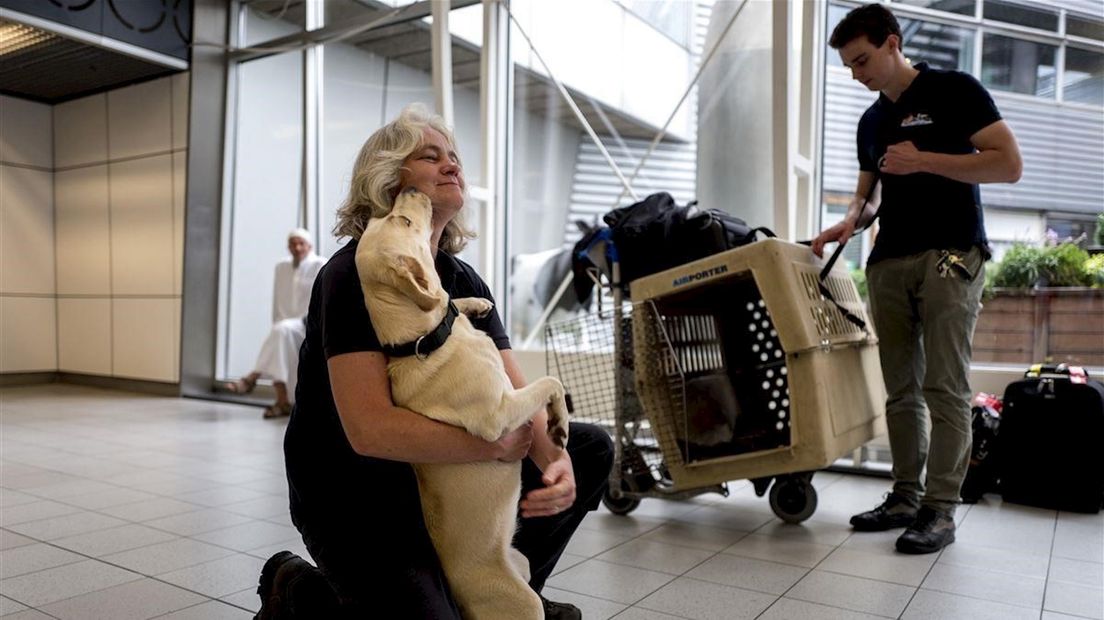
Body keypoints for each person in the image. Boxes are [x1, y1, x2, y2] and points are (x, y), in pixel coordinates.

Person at [254, 104, 612, 619]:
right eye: (431, 156)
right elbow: (369, 431)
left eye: (455, 157)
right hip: (358, 490)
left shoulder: (463, 280)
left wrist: (556, 462)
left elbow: (516, 392)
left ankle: (499, 592)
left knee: (589, 447)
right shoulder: (352, 275)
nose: (453, 166)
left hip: (441, 471)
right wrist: (487, 443)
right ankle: (299, 591)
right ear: (387, 178)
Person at [812, 4, 1022, 555]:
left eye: (863, 61)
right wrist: (846, 223)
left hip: (950, 256)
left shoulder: (956, 90)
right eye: (849, 67)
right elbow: (869, 194)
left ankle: (940, 510)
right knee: (901, 389)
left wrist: (926, 160)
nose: (858, 75)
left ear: (892, 43)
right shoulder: (871, 121)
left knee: (944, 387)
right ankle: (905, 497)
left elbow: (1008, 164)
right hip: (889, 260)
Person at [225, 229, 326, 419]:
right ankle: (283, 402)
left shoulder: (320, 265)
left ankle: (252, 378)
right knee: (280, 336)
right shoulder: (282, 267)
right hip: (286, 327)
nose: (297, 248)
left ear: (309, 246)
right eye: (293, 244)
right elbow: (277, 299)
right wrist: (277, 324)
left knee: (281, 332)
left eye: (301, 243)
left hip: (309, 324)